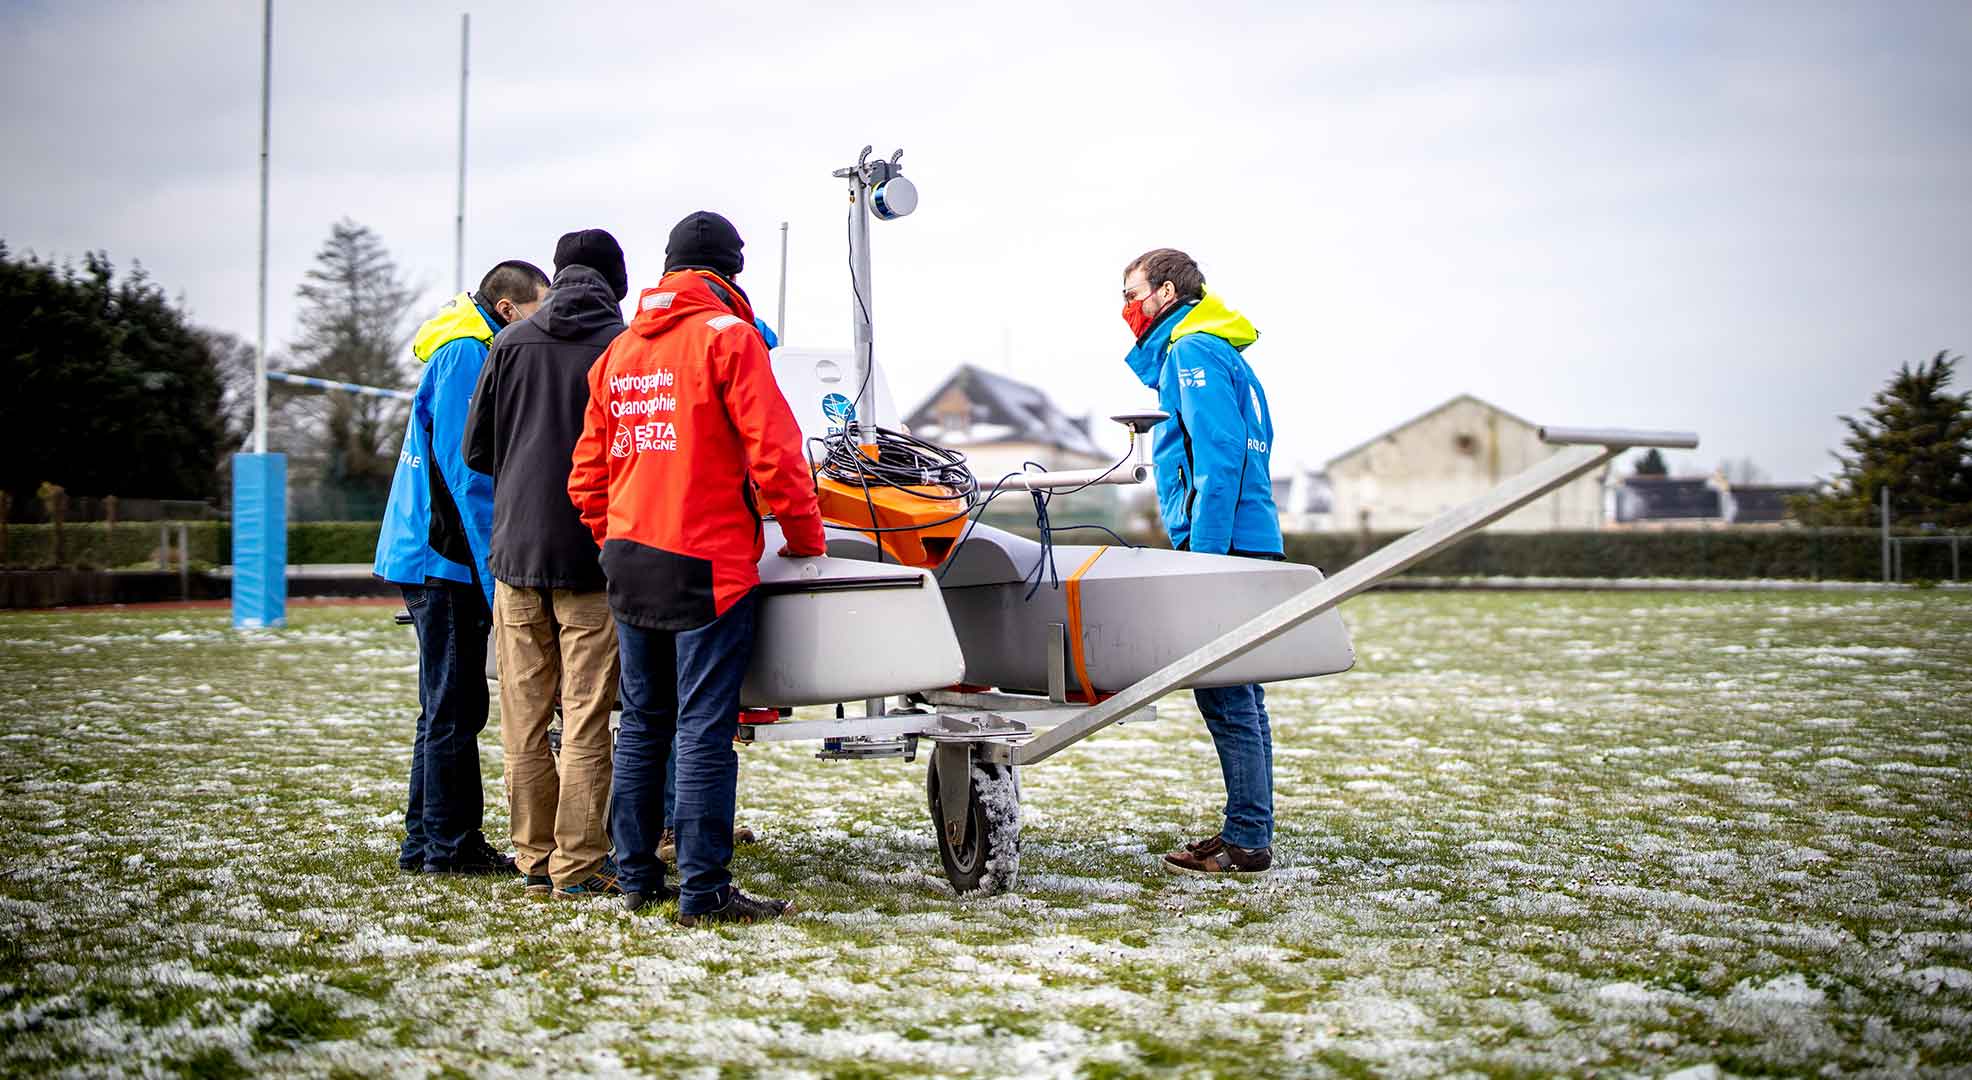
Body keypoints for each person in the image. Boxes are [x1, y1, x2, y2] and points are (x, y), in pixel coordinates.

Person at [568, 210, 826, 924]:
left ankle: (636, 877)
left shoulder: (617, 353)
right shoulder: (730, 338)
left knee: (644, 723)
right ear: (730, 274)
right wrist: (805, 541)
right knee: (704, 727)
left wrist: (611, 537)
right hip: (707, 561)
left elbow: (586, 477)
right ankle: (704, 889)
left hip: (629, 559)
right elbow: (776, 456)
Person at [464, 231, 628, 899]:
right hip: (593, 556)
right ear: (616, 280)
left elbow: (478, 451)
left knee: (524, 718)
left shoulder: (509, 343)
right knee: (587, 718)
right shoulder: (625, 347)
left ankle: (534, 858)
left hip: (516, 557)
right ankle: (579, 865)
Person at [376, 260, 551, 875]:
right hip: (442, 556)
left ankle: (427, 843)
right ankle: (449, 847)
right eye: (540, 308)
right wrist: (495, 568)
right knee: (454, 705)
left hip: (432, 553)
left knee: (445, 705)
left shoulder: (467, 348)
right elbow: (467, 474)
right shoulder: (464, 355)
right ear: (508, 309)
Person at [1118, 247, 1283, 877]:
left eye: (1131, 294)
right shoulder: (1216, 349)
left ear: (1164, 292)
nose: (1126, 309)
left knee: (1226, 695)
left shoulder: (1191, 352)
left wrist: (1205, 558)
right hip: (1245, 536)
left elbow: (1220, 458)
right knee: (1240, 692)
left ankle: (1247, 839)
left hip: (1225, 543)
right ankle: (1248, 830)